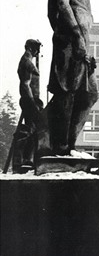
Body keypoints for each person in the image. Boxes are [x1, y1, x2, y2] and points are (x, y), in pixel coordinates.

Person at [45, 0, 98, 156]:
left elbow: (52, 11)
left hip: (78, 39)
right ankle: (61, 147)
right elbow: (61, 4)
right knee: (68, 91)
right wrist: (75, 36)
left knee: (89, 94)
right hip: (72, 38)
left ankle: (67, 145)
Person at [15, 39, 44, 168]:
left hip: (32, 100)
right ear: (32, 48)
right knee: (31, 130)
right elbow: (26, 84)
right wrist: (32, 103)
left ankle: (27, 159)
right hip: (29, 100)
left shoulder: (28, 60)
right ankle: (25, 159)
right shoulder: (26, 62)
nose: (38, 52)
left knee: (33, 129)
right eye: (37, 49)